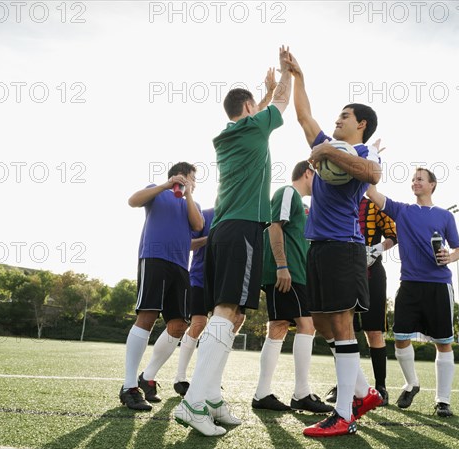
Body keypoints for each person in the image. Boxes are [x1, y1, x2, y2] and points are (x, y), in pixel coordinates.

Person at [173, 46, 293, 437]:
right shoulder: (255, 126)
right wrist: (286, 75)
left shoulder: (230, 132)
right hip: (242, 227)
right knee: (226, 312)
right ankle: (193, 403)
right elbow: (280, 103)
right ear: (247, 108)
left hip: (227, 230)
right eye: (253, 107)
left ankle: (209, 397)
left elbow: (256, 110)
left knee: (234, 316)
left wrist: (260, 94)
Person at [287, 53, 384, 438]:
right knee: (325, 322)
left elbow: (372, 174)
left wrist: (325, 151)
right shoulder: (329, 143)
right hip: (319, 248)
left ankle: (344, 415)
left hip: (345, 247)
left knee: (342, 325)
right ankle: (364, 393)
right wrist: (298, 75)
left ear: (361, 125)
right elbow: (303, 116)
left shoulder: (364, 152)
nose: (337, 119)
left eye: (345, 116)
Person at [366, 167, 459, 417]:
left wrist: (449, 256)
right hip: (409, 283)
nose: (415, 182)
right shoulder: (402, 210)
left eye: (420, 179)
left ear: (432, 185)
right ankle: (412, 383)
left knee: (443, 344)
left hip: (439, 285)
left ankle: (443, 400)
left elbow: (458, 249)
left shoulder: (445, 216)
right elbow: (371, 191)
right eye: (413, 179)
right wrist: (370, 160)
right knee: (400, 337)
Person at [119, 162, 203, 411]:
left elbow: (197, 225)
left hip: (179, 267)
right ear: (181, 176)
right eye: (191, 179)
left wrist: (188, 194)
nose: (194, 183)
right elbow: (133, 201)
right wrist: (167, 185)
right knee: (147, 316)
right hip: (154, 259)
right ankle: (129, 386)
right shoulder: (156, 191)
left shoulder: (193, 204)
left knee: (179, 325)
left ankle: (147, 377)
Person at [252, 161, 333, 414]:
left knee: (278, 327)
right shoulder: (287, 192)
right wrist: (281, 266)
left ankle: (262, 393)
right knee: (306, 325)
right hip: (287, 273)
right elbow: (274, 227)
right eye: (317, 176)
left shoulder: (304, 205)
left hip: (297, 274)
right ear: (308, 173)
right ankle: (301, 393)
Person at [325, 197, 397, 406]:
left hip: (372, 272)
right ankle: (346, 385)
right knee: (344, 330)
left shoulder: (374, 204)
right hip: (343, 271)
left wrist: (377, 249)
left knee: (374, 330)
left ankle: (381, 386)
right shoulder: (337, 203)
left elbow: (394, 234)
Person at [173, 207, 214, 396]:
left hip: (223, 282)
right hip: (199, 278)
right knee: (199, 323)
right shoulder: (204, 216)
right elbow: (187, 244)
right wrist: (211, 238)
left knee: (223, 327)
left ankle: (209, 379)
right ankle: (180, 378)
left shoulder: (238, 215)